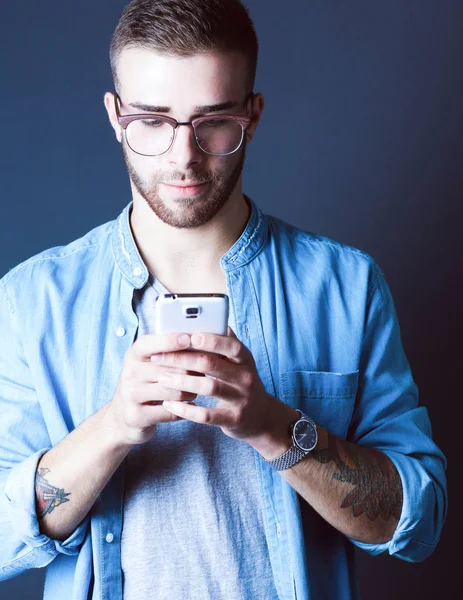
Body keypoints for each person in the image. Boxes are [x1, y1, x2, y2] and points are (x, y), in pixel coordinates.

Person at [0, 1, 447, 599]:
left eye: (213, 121)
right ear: (114, 116)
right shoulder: (33, 301)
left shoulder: (346, 287)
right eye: (153, 121)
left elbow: (416, 521)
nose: (184, 154)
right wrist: (115, 426)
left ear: (252, 116)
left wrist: (274, 427)